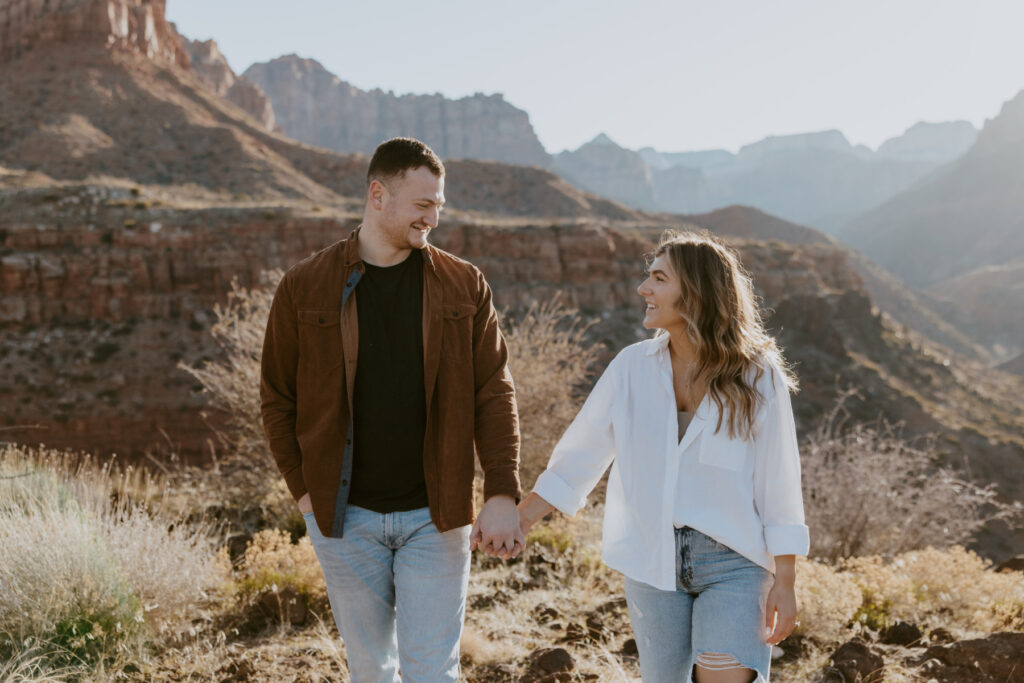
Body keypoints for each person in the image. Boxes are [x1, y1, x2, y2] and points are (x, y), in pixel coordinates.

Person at [260, 137, 524, 683]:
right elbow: (277, 399)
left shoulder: (464, 284)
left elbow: (494, 392)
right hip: (344, 519)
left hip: (437, 515)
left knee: (432, 671)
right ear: (378, 195)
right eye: (422, 204)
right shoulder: (305, 286)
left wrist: (501, 491)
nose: (433, 217)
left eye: (438, 206)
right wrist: (306, 496)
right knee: (372, 671)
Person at [517, 231, 809, 683]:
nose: (643, 289)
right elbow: (581, 453)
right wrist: (521, 519)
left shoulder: (757, 375)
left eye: (657, 278)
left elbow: (780, 481)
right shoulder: (631, 367)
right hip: (650, 561)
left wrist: (785, 581)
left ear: (693, 293)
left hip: (734, 561)